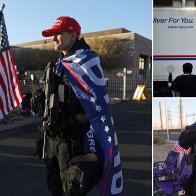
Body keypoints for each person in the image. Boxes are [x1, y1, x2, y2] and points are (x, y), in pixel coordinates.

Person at [34, 16, 123, 196]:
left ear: (73, 35)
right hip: (52, 141)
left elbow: (95, 109)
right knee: (54, 187)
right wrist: (36, 98)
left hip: (72, 142)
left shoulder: (85, 63)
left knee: (72, 189)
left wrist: (70, 122)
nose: (53, 39)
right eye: (52, 35)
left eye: (58, 34)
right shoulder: (57, 65)